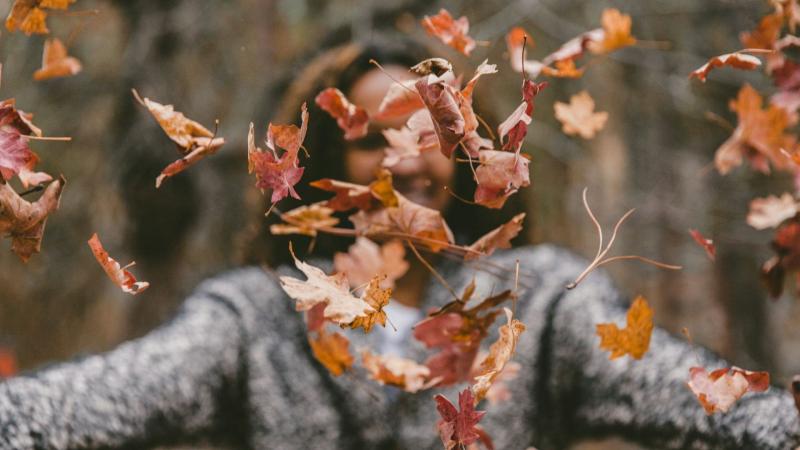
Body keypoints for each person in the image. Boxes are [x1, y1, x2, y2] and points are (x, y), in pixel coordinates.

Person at [0, 35, 799, 450]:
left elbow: (709, 403)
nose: (403, 157)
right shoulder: (256, 320)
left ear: (461, 152)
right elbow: (92, 401)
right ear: (324, 168)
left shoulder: (541, 302)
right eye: (370, 139)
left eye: (427, 129)